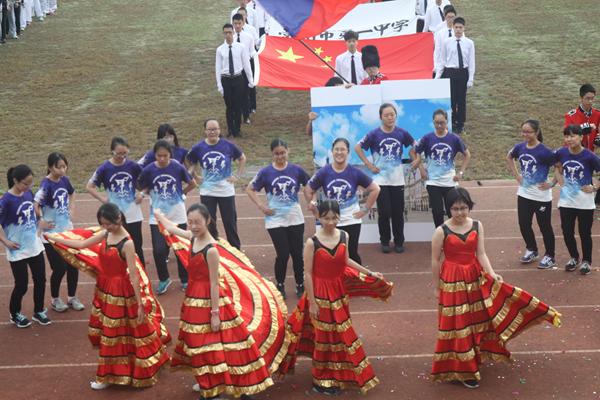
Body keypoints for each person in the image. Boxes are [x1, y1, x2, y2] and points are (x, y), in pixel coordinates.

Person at [430, 188, 561, 388]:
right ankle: (463, 370)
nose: (460, 212)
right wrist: (438, 286)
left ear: (469, 206)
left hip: (474, 277)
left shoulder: (477, 225)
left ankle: (474, 355)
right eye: (455, 209)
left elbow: (481, 253)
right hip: (452, 280)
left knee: (477, 317)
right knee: (457, 323)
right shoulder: (441, 230)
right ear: (449, 209)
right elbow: (435, 260)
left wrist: (491, 273)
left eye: (464, 207)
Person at [155, 204, 279, 400]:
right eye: (190, 222)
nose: (193, 226)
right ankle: (211, 387)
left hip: (209, 300)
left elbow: (214, 284)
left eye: (198, 222)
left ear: (208, 222)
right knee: (201, 345)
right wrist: (157, 213)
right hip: (193, 300)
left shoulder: (211, 249)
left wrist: (215, 314)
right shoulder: (192, 237)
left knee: (222, 345)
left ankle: (229, 391)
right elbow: (171, 229)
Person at [46, 203, 171, 390]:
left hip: (122, 292)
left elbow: (134, 275)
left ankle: (128, 373)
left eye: (108, 223)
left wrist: (139, 304)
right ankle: (113, 374)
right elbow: (81, 244)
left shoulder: (127, 242)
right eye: (103, 223)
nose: (105, 227)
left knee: (121, 332)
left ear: (118, 219)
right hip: (105, 289)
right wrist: (53, 238)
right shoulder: (105, 234)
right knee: (111, 332)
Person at [277, 201, 387, 395]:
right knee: (325, 336)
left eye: (334, 218)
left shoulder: (344, 235)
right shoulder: (313, 242)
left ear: (339, 217)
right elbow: (308, 274)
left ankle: (337, 373)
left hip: (338, 291)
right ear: (318, 217)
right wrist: (311, 301)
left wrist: (369, 273)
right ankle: (321, 380)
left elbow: (346, 260)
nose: (330, 222)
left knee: (338, 333)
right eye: (326, 218)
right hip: (319, 293)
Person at [246, 138, 311, 299]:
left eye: (282, 153)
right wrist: (262, 206)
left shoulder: (297, 170)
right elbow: (250, 189)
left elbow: (312, 185)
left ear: (288, 151)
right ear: (272, 154)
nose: (280, 156)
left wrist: (312, 202)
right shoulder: (266, 172)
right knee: (282, 254)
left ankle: (299, 284)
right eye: (276, 154)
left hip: (295, 217)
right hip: (275, 218)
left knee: (297, 253)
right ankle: (280, 284)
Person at [354, 103, 419, 253]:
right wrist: (368, 164)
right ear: (381, 117)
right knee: (384, 212)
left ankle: (399, 241)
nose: (390, 118)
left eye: (392, 114)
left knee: (397, 212)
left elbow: (417, 145)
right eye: (386, 115)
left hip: (397, 179)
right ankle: (384, 241)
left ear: (396, 115)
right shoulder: (374, 134)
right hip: (380, 180)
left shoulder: (402, 133)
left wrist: (417, 159)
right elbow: (358, 147)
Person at [305, 138, 381, 265]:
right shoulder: (324, 172)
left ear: (348, 152)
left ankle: (356, 280)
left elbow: (375, 189)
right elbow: (308, 190)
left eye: (343, 150)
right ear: (331, 151)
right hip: (331, 221)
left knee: (351, 254)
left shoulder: (355, 172)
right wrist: (315, 211)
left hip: (351, 219)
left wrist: (365, 209)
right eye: (336, 149)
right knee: (330, 254)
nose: (339, 152)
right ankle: (334, 281)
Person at [137, 139, 197, 293]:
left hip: (178, 215)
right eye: (159, 156)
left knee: (181, 249)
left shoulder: (177, 167)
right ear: (154, 155)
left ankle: (185, 279)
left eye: (165, 155)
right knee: (158, 250)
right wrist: (147, 191)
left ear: (170, 154)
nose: (162, 159)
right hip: (156, 215)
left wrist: (180, 193)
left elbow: (192, 183)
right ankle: (164, 279)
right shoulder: (149, 170)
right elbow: (139, 184)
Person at [0, 165, 50, 328]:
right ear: (15, 181)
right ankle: (15, 314)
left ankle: (38, 311)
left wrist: (40, 219)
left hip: (34, 245)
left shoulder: (28, 192)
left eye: (31, 183)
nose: (29, 186)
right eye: (26, 183)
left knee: (41, 280)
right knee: (21, 284)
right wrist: (5, 241)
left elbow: (37, 206)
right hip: (17, 249)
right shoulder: (6, 201)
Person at [34, 152, 84, 313]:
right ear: (50, 167)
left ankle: (71, 297)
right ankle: (55, 299)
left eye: (64, 166)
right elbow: (36, 203)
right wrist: (41, 220)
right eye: (58, 167)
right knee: (60, 268)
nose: (62, 170)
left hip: (66, 230)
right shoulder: (46, 184)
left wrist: (72, 208)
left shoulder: (64, 180)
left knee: (73, 264)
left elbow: (72, 192)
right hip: (51, 235)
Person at [186, 117, 246, 250]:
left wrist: (237, 175)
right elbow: (188, 160)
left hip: (226, 191)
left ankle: (235, 250)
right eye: (210, 129)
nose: (213, 132)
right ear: (205, 130)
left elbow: (242, 158)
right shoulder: (198, 147)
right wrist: (195, 176)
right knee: (209, 223)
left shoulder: (228, 145)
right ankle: (211, 249)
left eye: (215, 129)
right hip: (208, 191)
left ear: (219, 130)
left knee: (230, 222)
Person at [87, 137, 147, 269]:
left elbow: (147, 183)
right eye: (118, 153)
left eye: (125, 153)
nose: (122, 156)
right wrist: (103, 199)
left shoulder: (133, 166)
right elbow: (89, 186)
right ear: (111, 151)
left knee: (137, 249)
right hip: (115, 217)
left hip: (133, 215)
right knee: (118, 250)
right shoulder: (104, 168)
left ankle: (142, 280)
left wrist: (141, 194)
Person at [506, 119, 559, 269]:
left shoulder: (545, 151)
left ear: (537, 132)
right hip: (524, 194)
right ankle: (532, 249)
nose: (525, 134)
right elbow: (509, 157)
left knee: (544, 227)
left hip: (541, 196)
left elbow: (559, 166)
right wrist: (516, 175)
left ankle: (550, 256)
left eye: (529, 132)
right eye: (523, 131)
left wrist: (553, 183)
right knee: (524, 223)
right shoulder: (520, 147)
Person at [554, 124, 600, 275]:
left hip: (584, 201)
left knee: (584, 233)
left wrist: (594, 188)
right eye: (566, 136)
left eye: (572, 136)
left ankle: (587, 261)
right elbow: (555, 163)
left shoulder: (589, 156)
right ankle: (574, 257)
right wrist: (558, 175)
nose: (569, 139)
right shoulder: (561, 152)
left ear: (581, 137)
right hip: (566, 201)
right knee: (567, 232)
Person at [414, 108, 470, 227]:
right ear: (433, 122)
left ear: (447, 121)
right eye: (436, 123)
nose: (439, 126)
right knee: (437, 212)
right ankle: (441, 236)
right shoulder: (427, 138)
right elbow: (414, 152)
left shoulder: (454, 139)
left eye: (442, 122)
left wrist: (461, 172)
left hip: (449, 180)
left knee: (452, 211)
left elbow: (467, 154)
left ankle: (453, 235)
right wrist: (421, 168)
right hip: (432, 180)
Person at [435, 17, 474, 134]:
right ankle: (451, 123)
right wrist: (438, 75)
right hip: (450, 72)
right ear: (453, 28)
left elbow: (471, 62)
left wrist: (471, 78)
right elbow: (442, 60)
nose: (458, 30)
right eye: (456, 27)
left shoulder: (469, 43)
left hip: (462, 73)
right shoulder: (447, 42)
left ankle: (460, 124)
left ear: (464, 28)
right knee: (451, 100)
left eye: (460, 27)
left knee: (461, 100)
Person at [215, 23, 253, 138]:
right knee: (229, 106)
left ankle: (237, 129)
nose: (228, 35)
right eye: (226, 33)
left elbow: (246, 64)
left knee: (238, 106)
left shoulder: (241, 47)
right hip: (226, 79)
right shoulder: (220, 50)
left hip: (238, 78)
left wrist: (250, 78)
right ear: (223, 34)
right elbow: (218, 67)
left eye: (230, 32)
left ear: (233, 33)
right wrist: (219, 84)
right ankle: (230, 129)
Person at [233, 13, 256, 124]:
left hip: (246, 66)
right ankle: (236, 114)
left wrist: (252, 56)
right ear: (233, 23)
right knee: (235, 94)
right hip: (234, 68)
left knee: (245, 93)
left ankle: (246, 116)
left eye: (239, 23)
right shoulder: (230, 37)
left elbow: (252, 50)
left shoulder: (248, 37)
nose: (238, 25)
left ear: (243, 23)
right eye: (236, 23)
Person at [564, 84, 599, 152]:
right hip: (572, 152)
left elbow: (596, 132)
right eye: (587, 98)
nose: (590, 101)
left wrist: (597, 138)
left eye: (592, 98)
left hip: (589, 153)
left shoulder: (597, 114)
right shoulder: (570, 116)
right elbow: (567, 133)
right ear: (580, 98)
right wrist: (587, 126)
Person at [433, 7, 456, 78]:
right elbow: (437, 50)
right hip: (443, 64)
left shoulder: (458, 32)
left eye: (452, 17)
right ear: (445, 17)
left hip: (455, 64)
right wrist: (436, 65)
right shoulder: (440, 33)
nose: (450, 19)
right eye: (449, 17)